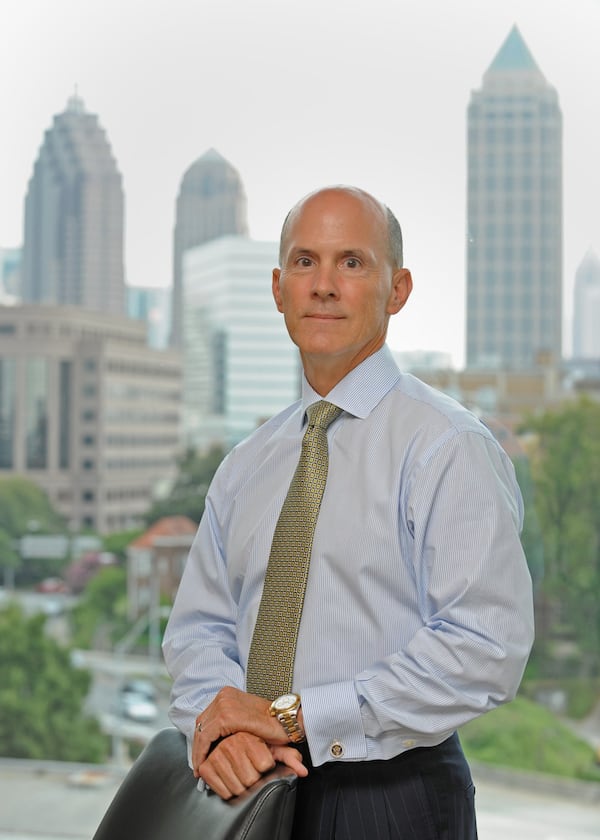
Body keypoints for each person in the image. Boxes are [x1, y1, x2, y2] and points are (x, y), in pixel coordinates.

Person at [162, 185, 534, 839]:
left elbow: (484, 644)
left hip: (390, 799)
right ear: (279, 289)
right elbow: (198, 630)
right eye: (305, 262)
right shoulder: (247, 463)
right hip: (246, 790)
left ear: (398, 289)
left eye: (352, 263)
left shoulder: (448, 447)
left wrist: (292, 717)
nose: (325, 285)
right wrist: (217, 723)